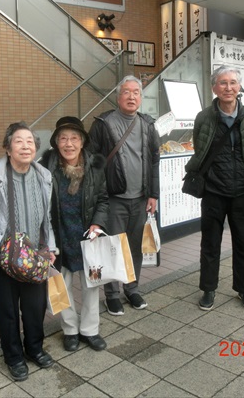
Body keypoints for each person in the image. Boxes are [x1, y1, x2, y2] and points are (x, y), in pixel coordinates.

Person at [0, 122, 57, 381]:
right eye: (18, 141)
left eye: (30, 141)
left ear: (36, 148)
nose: (25, 146)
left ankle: (35, 349)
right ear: (7, 147)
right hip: (1, 257)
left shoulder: (43, 176)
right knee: (6, 312)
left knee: (35, 308)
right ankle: (13, 357)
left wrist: (50, 247)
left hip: (34, 257)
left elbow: (47, 218)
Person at [185, 66, 244, 312]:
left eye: (233, 83)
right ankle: (208, 288)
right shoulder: (204, 117)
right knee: (210, 243)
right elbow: (200, 150)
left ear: (239, 87)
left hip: (242, 192)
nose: (228, 87)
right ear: (214, 88)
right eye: (223, 83)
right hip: (213, 191)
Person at [88, 75, 161, 316]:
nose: (131, 96)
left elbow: (154, 161)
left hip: (140, 198)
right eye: (126, 92)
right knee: (112, 247)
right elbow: (92, 161)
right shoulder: (103, 123)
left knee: (134, 247)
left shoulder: (148, 125)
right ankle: (111, 295)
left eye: (136, 92)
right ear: (118, 97)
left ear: (141, 97)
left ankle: (132, 288)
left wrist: (153, 194)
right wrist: (97, 195)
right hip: (112, 199)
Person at [39, 116, 109, 352]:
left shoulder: (95, 166)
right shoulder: (46, 167)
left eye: (74, 138)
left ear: (82, 141)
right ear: (56, 142)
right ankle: (70, 329)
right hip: (59, 235)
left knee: (91, 285)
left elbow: (103, 199)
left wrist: (97, 223)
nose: (69, 144)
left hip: (88, 235)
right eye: (63, 138)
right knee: (62, 284)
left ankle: (90, 330)